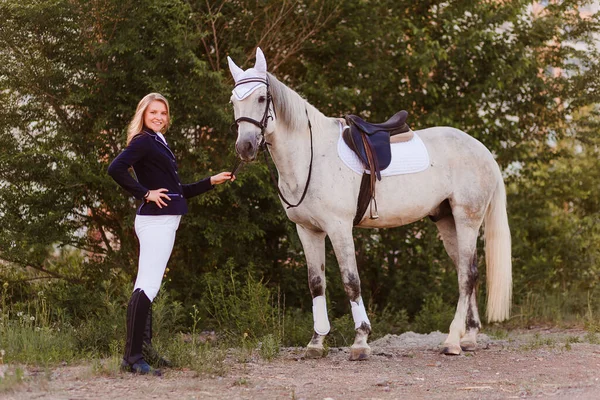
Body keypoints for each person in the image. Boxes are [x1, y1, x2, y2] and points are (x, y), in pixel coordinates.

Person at [108, 93, 234, 375]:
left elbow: (178, 192)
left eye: (163, 113)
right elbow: (114, 168)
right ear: (143, 114)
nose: (159, 117)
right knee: (147, 287)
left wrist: (210, 182)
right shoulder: (142, 140)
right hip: (155, 222)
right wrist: (144, 193)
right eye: (153, 112)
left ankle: (144, 350)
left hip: (164, 220)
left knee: (146, 286)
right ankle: (132, 358)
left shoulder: (158, 142)